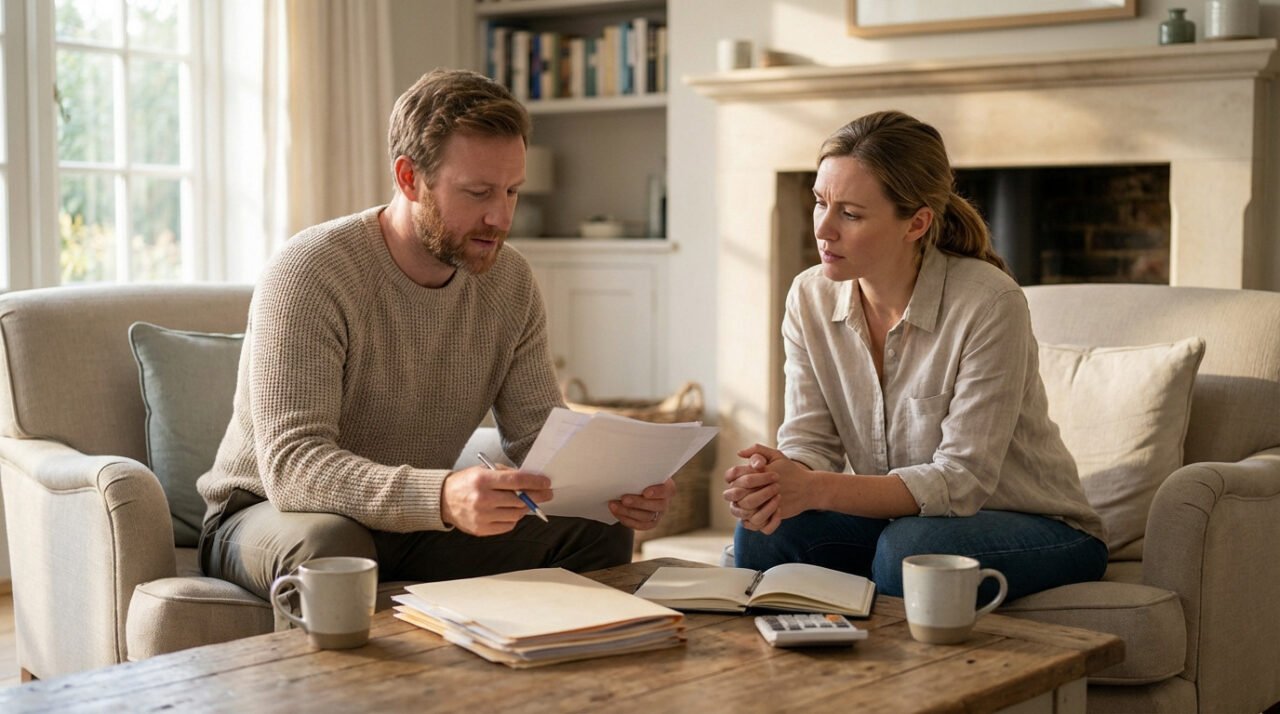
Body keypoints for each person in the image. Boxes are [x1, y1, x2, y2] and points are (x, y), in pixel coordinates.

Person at [197, 69, 675, 600]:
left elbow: (539, 437)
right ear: (408, 178)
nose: (501, 216)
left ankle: (539, 670)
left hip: (408, 523)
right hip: (268, 516)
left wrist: (611, 488)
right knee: (333, 546)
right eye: (477, 192)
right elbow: (293, 466)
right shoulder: (311, 271)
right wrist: (442, 496)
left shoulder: (510, 280)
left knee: (601, 529)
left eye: (512, 191)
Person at [722, 110, 1107, 602]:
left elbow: (961, 481)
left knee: (909, 551)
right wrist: (778, 481)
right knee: (765, 530)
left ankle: (900, 678)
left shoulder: (990, 303)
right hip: (901, 524)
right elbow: (810, 441)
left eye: (851, 214)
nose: (824, 229)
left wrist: (815, 489)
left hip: (1041, 527)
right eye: (821, 203)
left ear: (916, 223)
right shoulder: (808, 297)